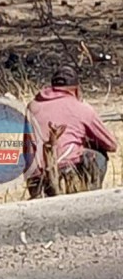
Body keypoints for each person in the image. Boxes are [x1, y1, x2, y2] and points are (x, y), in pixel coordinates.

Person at [24, 65, 117, 198]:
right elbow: (111, 145)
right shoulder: (82, 108)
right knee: (99, 155)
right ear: (76, 89)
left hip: (35, 176)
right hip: (67, 172)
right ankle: (91, 196)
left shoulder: (33, 106)